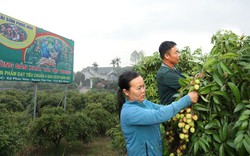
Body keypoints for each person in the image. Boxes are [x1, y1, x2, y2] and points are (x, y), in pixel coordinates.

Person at [117, 70, 198, 156]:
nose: (143, 90)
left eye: (143, 86)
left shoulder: (144, 103)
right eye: (139, 88)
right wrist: (187, 99)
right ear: (126, 92)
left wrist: (182, 109)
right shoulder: (129, 112)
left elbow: (162, 109)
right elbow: (158, 115)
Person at [156, 41, 184, 105]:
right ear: (167, 56)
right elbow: (187, 83)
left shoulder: (173, 69)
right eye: (176, 52)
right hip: (171, 112)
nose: (179, 55)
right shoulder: (165, 73)